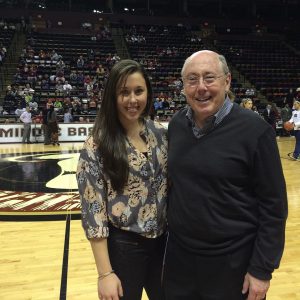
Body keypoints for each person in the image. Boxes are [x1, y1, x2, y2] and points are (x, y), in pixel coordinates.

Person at [163, 50, 288, 300]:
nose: (201, 88)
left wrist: (262, 269)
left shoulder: (256, 130)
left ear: (227, 81)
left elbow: (274, 207)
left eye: (209, 78)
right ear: (183, 85)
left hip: (233, 264)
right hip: (180, 262)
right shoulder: (177, 125)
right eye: (192, 79)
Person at [76, 59, 168, 300]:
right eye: (124, 92)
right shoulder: (96, 146)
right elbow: (93, 212)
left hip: (164, 243)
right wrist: (105, 273)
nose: (132, 100)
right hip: (124, 247)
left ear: (148, 92)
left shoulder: (159, 133)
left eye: (139, 91)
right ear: (112, 96)